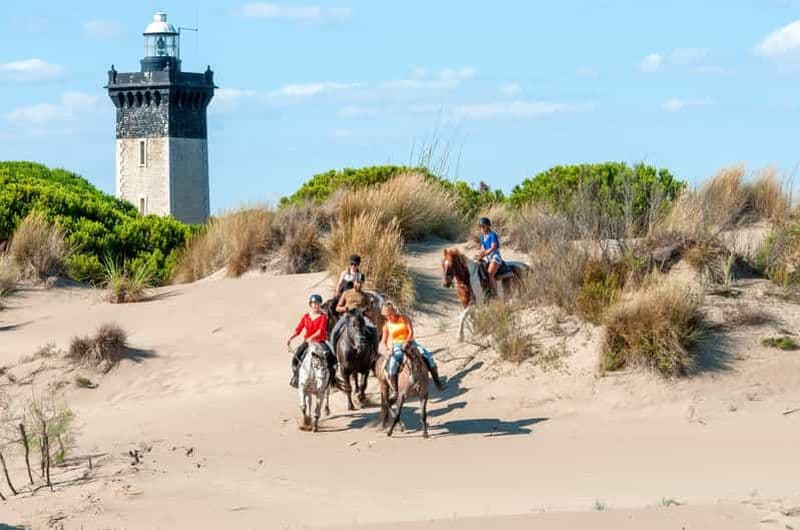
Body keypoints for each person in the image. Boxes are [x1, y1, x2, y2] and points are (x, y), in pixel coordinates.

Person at [380, 302, 446, 402]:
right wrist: (388, 350)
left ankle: (437, 382)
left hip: (410, 343)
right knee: (392, 364)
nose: (388, 317)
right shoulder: (387, 325)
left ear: (394, 312)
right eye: (386, 316)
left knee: (428, 356)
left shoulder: (404, 318)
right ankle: (394, 390)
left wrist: (406, 342)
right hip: (397, 347)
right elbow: (383, 341)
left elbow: (410, 332)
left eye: (390, 315)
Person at [287, 294, 340, 389]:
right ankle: (296, 377)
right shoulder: (306, 317)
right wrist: (290, 338)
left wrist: (311, 338)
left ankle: (332, 380)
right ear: (310, 305)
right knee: (296, 357)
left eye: (318, 304)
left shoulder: (323, 317)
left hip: (320, 341)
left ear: (320, 305)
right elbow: (298, 329)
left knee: (332, 358)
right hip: (307, 342)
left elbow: (320, 331)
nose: (316, 306)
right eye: (314, 303)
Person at [331, 272, 377, 349]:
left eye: (361, 283)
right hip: (347, 316)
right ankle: (334, 353)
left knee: (374, 330)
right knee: (334, 332)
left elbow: (370, 312)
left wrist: (365, 312)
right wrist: (346, 309)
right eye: (357, 282)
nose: (358, 284)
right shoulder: (346, 293)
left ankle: (375, 353)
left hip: (361, 317)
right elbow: (337, 308)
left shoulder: (365, 295)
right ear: (353, 281)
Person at [476, 217, 502, 296]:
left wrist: (485, 254)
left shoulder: (492, 235)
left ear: (488, 226)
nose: (482, 228)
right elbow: (482, 248)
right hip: (486, 257)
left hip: (495, 256)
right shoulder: (482, 237)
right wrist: (479, 255)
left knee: (490, 274)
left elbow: (493, 247)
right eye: (480, 226)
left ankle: (495, 294)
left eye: (483, 226)